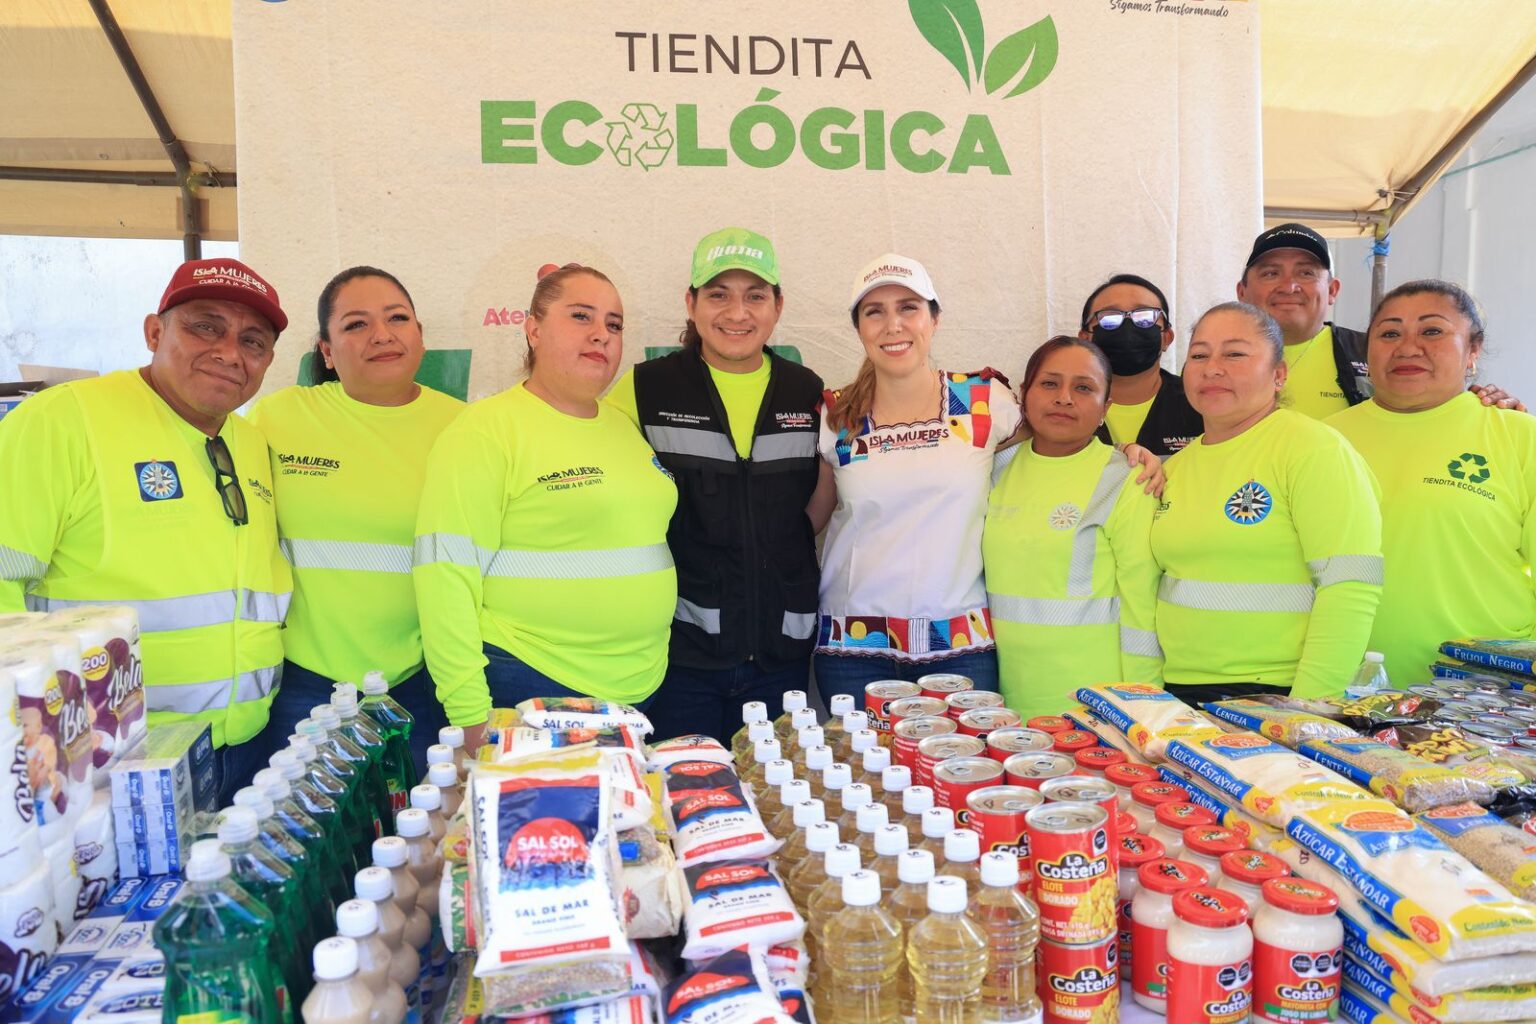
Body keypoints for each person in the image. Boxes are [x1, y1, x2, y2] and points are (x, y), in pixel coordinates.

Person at [0, 259, 292, 801]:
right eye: (206, 326)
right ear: (154, 332)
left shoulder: (249, 443)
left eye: (253, 341)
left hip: (246, 748)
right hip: (107, 759)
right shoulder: (64, 420)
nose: (230, 352)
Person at [413, 264, 677, 750]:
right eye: (581, 316)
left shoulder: (622, 425)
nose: (601, 335)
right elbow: (444, 574)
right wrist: (469, 714)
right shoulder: (486, 430)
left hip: (640, 688)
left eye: (614, 324)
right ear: (533, 329)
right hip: (532, 686)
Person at [605, 228, 824, 745]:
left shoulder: (807, 390)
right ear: (691, 303)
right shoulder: (645, 388)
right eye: (718, 295)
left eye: (755, 296)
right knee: (686, 809)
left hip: (782, 657)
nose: (737, 313)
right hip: (682, 656)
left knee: (782, 810)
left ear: (777, 305)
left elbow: (817, 506)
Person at [248, 267, 463, 772]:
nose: (382, 335)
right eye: (356, 325)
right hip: (305, 683)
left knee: (420, 833)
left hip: (426, 679)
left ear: (420, 336)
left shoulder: (464, 427)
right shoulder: (277, 418)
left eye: (397, 318)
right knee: (310, 835)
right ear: (326, 350)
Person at [809, 253, 1021, 697]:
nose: (893, 325)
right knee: (860, 770)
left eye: (908, 307)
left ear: (934, 318)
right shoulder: (837, 415)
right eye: (875, 312)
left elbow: (1058, 449)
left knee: (960, 769)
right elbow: (810, 521)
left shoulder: (983, 400)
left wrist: (1126, 453)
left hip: (961, 648)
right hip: (853, 652)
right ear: (859, 328)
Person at [1151, 301, 1382, 701]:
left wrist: (1305, 709)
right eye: (1199, 355)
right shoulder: (1176, 466)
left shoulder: (1312, 449)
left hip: (1275, 693)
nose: (1213, 368)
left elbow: (1350, 587)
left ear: (1279, 374)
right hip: (1179, 693)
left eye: (1235, 353)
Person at [1329, 280, 1536, 682]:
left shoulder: (1520, 437)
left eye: (1432, 331)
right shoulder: (1321, 440)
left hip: (1482, 697)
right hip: (1338, 691)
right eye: (1389, 333)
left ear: (1473, 349)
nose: (1407, 348)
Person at [983, 336, 1162, 717]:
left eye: (1084, 387)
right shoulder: (992, 471)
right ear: (1024, 394)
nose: (1064, 397)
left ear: (1105, 407)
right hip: (1003, 693)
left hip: (1096, 702)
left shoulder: (1125, 479)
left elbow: (1141, 604)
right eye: (1050, 383)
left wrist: (1144, 704)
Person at [1236, 222, 1522, 417]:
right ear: (1242, 292)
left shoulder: (1375, 351)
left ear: (1333, 290)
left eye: (1306, 273)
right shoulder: (1209, 358)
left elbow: (1431, 410)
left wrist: (1484, 402)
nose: (1289, 286)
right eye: (1270, 273)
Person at [1080, 273, 1202, 457]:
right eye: (1110, 318)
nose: (1128, 326)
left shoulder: (1200, 404)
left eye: (1145, 317)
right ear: (1085, 339)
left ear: (1167, 337)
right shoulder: (1063, 404)